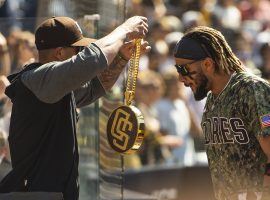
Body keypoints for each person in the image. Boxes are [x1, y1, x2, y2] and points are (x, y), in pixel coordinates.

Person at [0, 16, 150, 200]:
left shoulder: (55, 85)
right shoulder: (39, 78)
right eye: (78, 49)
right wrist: (125, 28)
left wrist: (121, 57)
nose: (82, 52)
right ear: (60, 53)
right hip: (35, 194)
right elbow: (91, 60)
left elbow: (95, 87)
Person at [173, 26, 270, 200]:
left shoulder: (251, 89)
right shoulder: (211, 101)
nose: (180, 78)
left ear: (208, 64)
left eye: (183, 69)